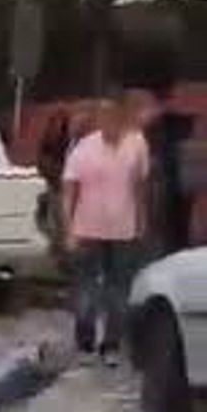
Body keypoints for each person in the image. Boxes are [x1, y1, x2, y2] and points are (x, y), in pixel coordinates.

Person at [61, 95, 150, 361]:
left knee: (119, 289)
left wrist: (142, 220)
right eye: (104, 117)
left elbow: (140, 187)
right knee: (87, 287)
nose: (109, 122)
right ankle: (85, 342)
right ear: (98, 121)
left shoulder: (137, 144)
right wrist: (69, 229)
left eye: (114, 117)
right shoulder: (85, 148)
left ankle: (111, 343)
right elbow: (69, 190)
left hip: (123, 228)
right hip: (87, 228)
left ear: (122, 118)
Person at [146, 85, 195, 259]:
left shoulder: (173, 120)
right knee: (173, 215)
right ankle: (175, 249)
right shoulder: (177, 120)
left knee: (174, 215)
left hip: (175, 175)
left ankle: (175, 249)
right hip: (173, 175)